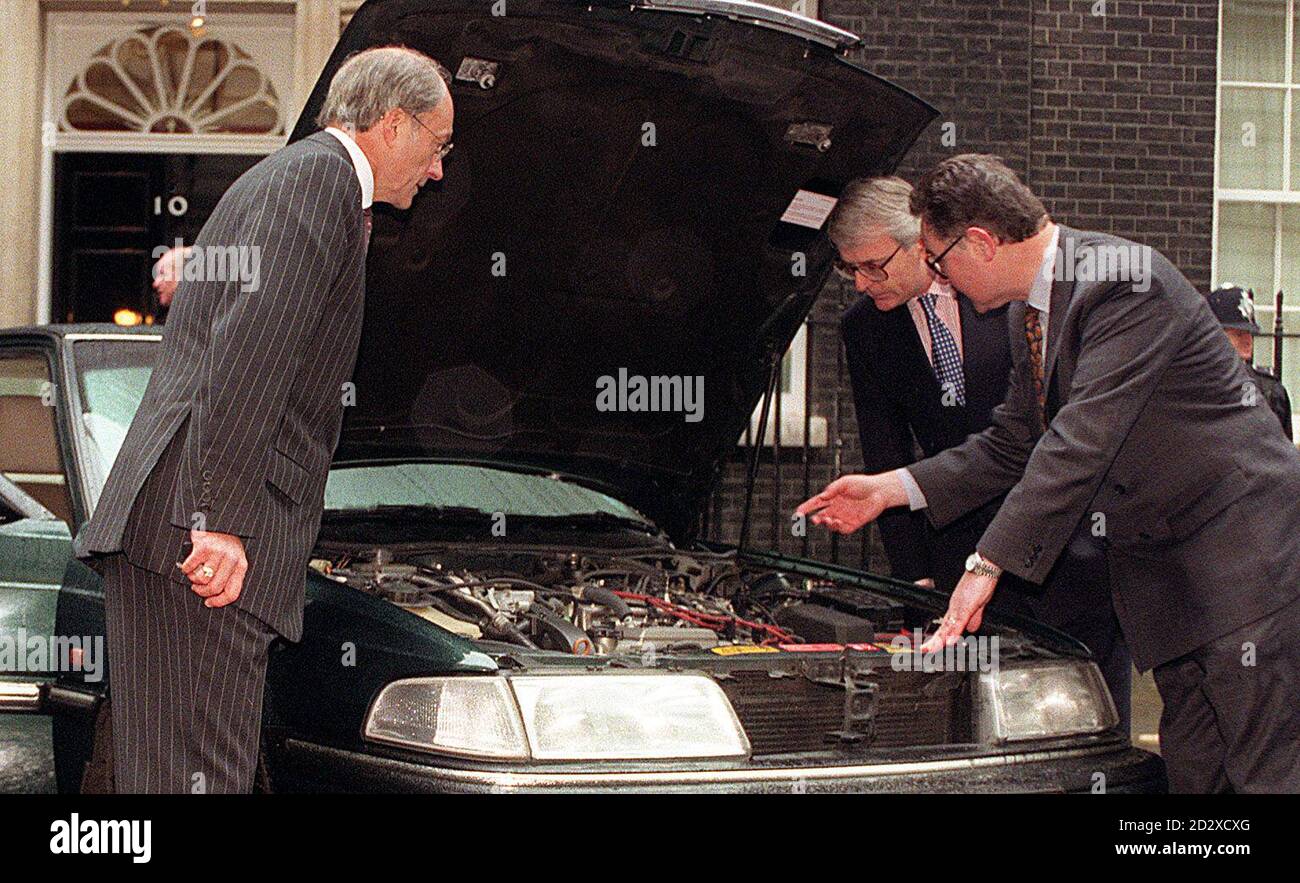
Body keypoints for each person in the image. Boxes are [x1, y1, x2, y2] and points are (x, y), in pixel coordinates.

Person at [798, 154, 1300, 793]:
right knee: (1198, 778)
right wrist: (890, 488)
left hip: (1244, 573)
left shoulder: (1126, 282)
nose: (935, 274)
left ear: (979, 243)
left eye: (936, 256)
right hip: (1177, 590)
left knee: (1269, 774)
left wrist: (986, 565)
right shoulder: (1028, 312)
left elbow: (1077, 444)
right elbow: (1012, 445)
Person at [72, 45, 455, 794]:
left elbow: (231, 323)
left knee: (172, 775)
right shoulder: (318, 184)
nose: (439, 170)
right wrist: (221, 519)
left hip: (173, 533)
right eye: (438, 146)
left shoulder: (294, 179)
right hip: (198, 540)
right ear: (393, 123)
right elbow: (251, 354)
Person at [829, 176, 1130, 730]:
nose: (862, 283)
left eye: (874, 265)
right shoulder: (865, 330)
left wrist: (1003, 553)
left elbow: (1061, 439)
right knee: (978, 720)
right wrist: (911, 570)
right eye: (849, 271)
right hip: (955, 546)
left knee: (1089, 715)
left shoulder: (1014, 293)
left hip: (1065, 540)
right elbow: (890, 447)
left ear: (923, 244)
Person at [1206, 283, 1292, 441]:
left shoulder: (1270, 392)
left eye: (1249, 333)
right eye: (1239, 334)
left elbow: (1284, 458)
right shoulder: (1192, 386)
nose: (1248, 341)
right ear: (1215, 336)